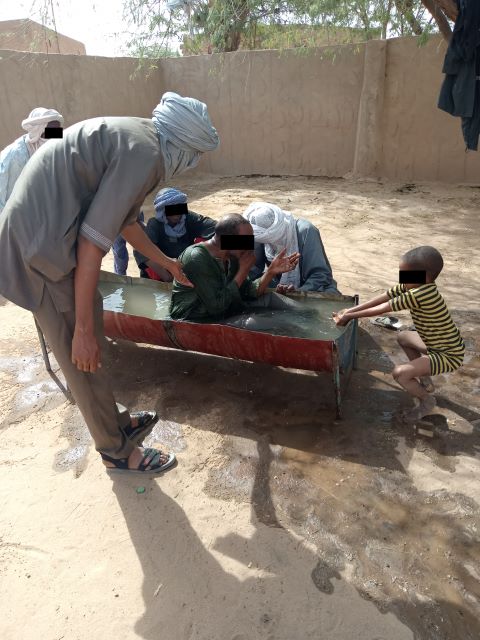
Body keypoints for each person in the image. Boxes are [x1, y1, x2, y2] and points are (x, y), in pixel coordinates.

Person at [0, 92, 219, 475]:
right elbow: (91, 243)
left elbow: (125, 222)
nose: (193, 164)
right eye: (194, 155)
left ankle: (116, 421)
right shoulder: (147, 155)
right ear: (183, 146)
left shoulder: (141, 138)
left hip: (46, 236)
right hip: (40, 249)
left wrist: (166, 261)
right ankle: (117, 451)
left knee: (92, 340)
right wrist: (82, 329)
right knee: (81, 351)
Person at [333, 246, 465, 423]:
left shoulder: (421, 294)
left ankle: (427, 401)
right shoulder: (416, 283)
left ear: (423, 276)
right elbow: (384, 296)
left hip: (449, 355)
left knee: (400, 373)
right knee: (403, 336)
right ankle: (424, 378)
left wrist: (349, 317)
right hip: (437, 345)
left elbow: (382, 309)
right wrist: (350, 310)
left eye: (405, 274)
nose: (402, 279)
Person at [169, 213, 300, 322]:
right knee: (268, 323)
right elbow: (217, 307)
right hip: (197, 317)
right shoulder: (196, 258)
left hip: (228, 309)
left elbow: (247, 292)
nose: (249, 247)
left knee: (279, 302)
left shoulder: (232, 255)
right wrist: (243, 271)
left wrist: (270, 272)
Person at [244, 202, 340, 295]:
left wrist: (298, 292)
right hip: (275, 284)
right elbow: (252, 272)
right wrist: (269, 276)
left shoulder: (306, 231)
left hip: (311, 287)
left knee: (330, 298)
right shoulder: (257, 234)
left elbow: (320, 275)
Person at [134, 187, 216, 280]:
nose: (177, 215)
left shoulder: (188, 218)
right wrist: (167, 277)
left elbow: (215, 228)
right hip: (163, 271)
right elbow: (141, 251)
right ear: (163, 211)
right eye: (172, 210)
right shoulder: (155, 225)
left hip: (184, 266)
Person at [0, 107, 64, 213]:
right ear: (38, 131)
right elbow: (8, 199)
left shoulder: (48, 152)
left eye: (57, 133)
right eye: (51, 133)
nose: (54, 138)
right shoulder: (18, 156)